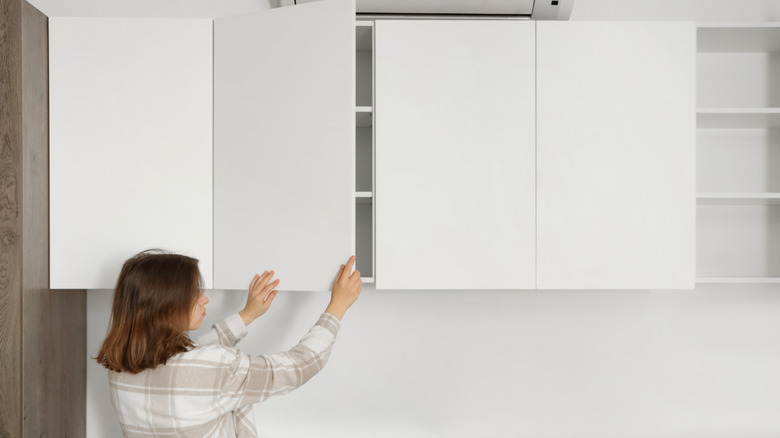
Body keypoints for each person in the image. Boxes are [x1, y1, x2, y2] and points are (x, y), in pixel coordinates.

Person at [95, 249, 362, 437]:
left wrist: (247, 315)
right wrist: (337, 307)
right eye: (194, 293)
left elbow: (191, 359)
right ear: (167, 308)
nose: (204, 299)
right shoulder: (214, 369)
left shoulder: (120, 367)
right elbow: (300, 365)